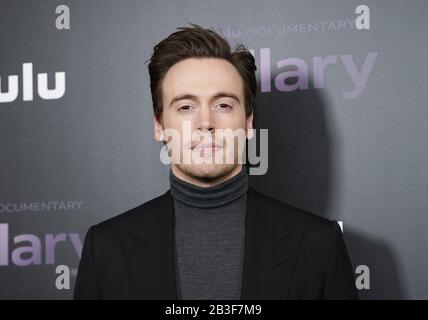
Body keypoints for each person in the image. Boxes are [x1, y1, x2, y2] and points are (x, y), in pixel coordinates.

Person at [73, 23, 358, 300]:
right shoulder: (106, 248)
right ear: (159, 124)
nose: (206, 123)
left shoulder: (319, 245)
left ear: (248, 121)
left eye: (223, 105)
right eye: (186, 107)